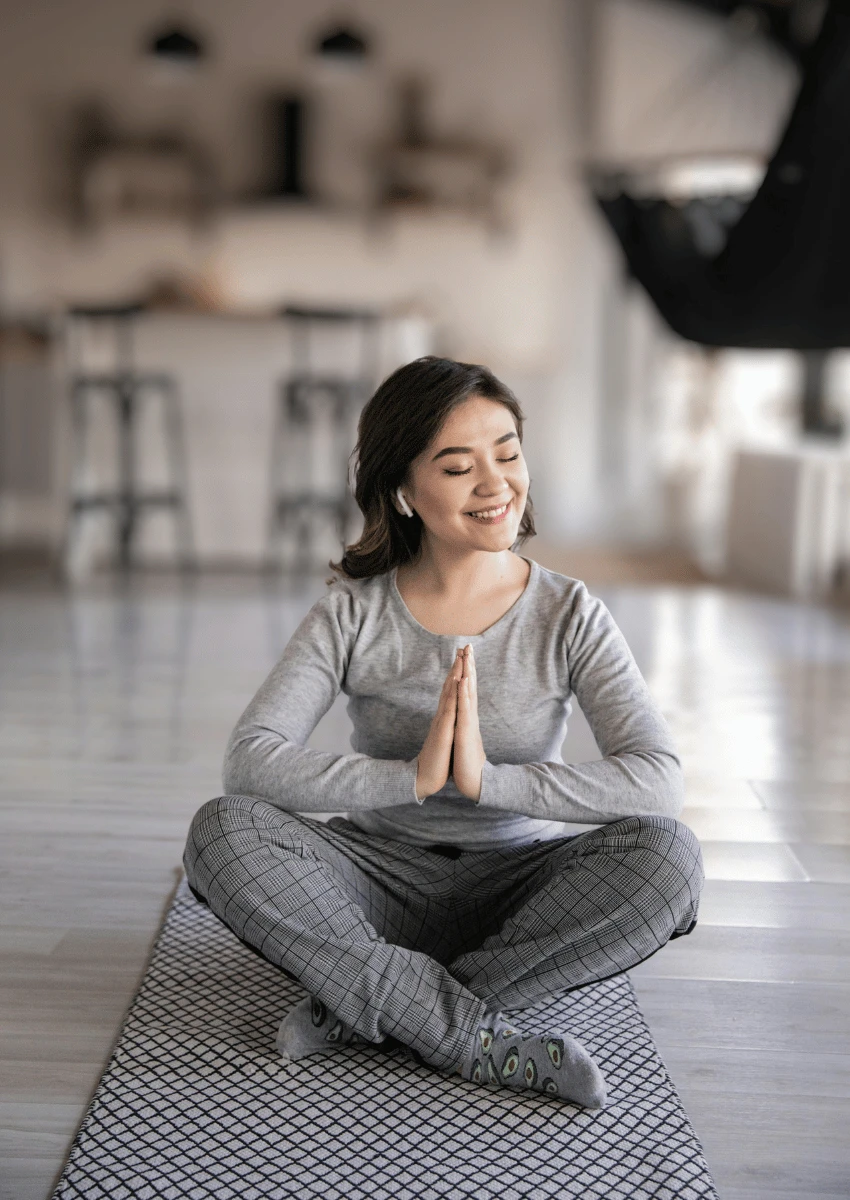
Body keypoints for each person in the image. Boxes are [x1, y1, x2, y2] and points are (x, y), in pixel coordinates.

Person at [183, 356, 704, 1109]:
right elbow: (250, 761)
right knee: (220, 832)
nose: (496, 484)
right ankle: (472, 1036)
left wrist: (487, 781)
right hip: (374, 881)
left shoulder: (570, 612)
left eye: (509, 452)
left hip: (520, 889)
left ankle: (372, 1000)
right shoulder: (352, 613)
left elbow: (659, 780)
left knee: (670, 860)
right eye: (459, 466)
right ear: (403, 491)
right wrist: (411, 778)